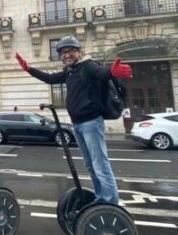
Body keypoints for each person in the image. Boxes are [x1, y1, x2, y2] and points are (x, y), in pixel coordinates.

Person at [15, 36, 133, 204]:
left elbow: (101, 73)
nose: (66, 55)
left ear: (79, 51)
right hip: (77, 124)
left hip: (91, 122)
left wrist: (112, 72)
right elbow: (50, 79)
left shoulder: (88, 66)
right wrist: (29, 69)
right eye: (62, 52)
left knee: (100, 164)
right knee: (91, 165)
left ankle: (110, 201)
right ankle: (101, 197)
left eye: (70, 51)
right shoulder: (70, 71)